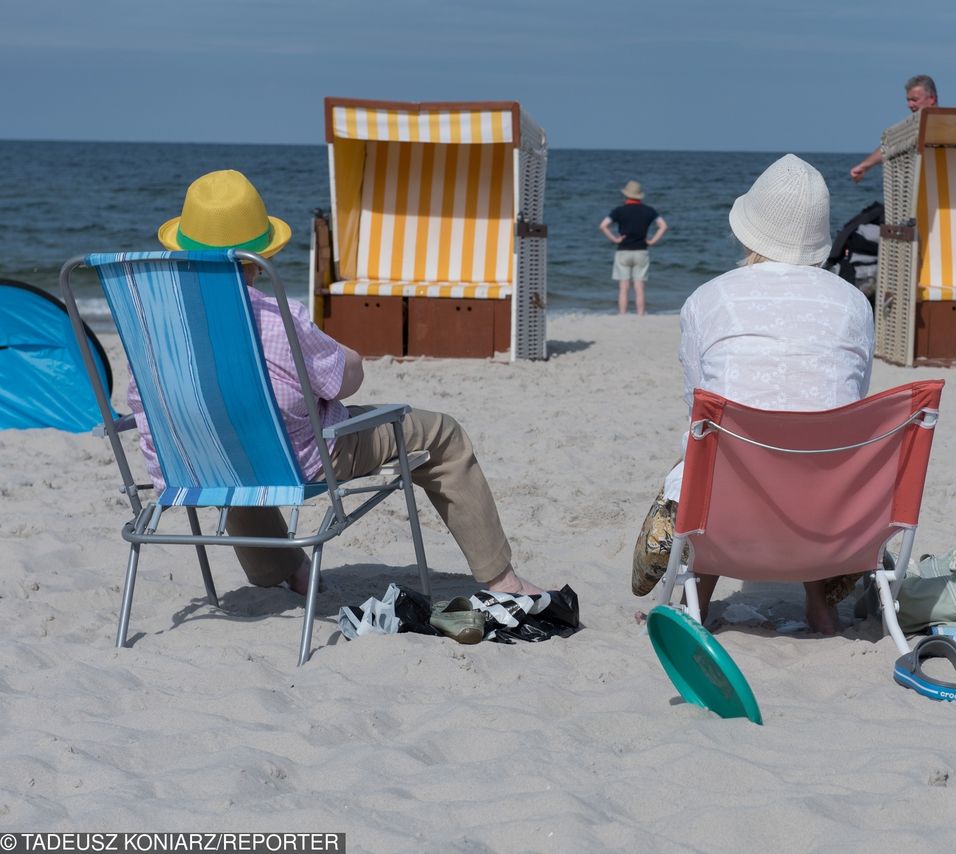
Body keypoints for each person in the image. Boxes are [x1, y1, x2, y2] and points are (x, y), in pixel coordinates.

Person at [136, 169, 547, 598]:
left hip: (193, 463)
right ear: (261, 255)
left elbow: (147, 398)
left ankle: (285, 568)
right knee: (443, 433)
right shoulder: (278, 318)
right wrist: (350, 357)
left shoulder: (154, 324)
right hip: (303, 461)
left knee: (226, 434)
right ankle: (503, 579)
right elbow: (341, 384)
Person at [631, 154, 875, 634]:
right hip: (831, 508)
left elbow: (697, 406)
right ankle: (821, 606)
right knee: (813, 439)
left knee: (715, 447)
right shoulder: (852, 302)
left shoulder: (710, 297)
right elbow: (853, 402)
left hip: (727, 504)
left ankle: (693, 601)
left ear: (749, 229)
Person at [849, 74, 939, 183]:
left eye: (914, 100)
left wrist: (864, 166)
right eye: (908, 100)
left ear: (931, 99)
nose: (910, 105)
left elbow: (892, 144)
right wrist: (864, 166)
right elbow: (891, 144)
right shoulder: (914, 126)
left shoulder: (938, 125)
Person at [598, 180, 667, 315]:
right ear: (639, 195)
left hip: (623, 251)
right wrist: (652, 241)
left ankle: (622, 314)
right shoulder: (649, 211)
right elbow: (663, 226)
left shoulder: (619, 211)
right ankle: (640, 314)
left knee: (623, 287)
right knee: (639, 287)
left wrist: (615, 239)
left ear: (626, 195)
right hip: (641, 251)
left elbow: (603, 226)